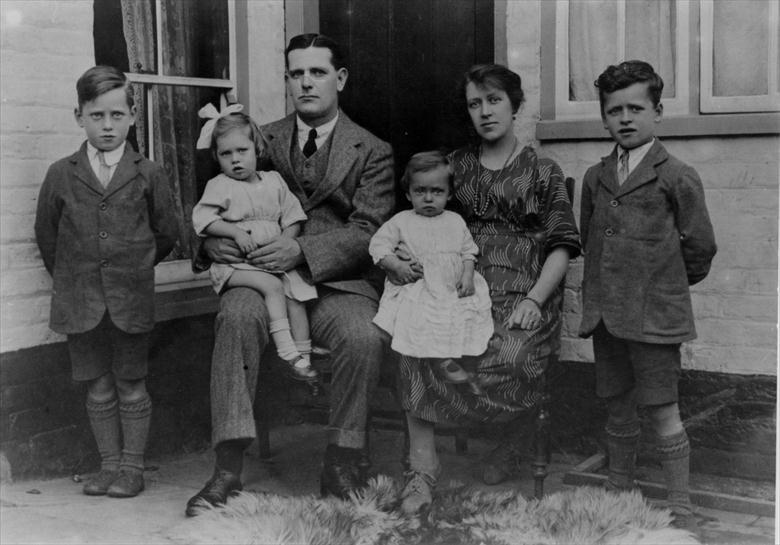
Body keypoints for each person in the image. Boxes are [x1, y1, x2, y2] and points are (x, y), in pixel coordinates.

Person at [185, 34, 395, 516]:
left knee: (362, 336)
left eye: (317, 72)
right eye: (296, 73)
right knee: (236, 317)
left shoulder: (372, 149)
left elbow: (368, 230)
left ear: (340, 78)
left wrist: (300, 249)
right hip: (260, 273)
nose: (306, 82)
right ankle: (228, 465)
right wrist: (212, 244)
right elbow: (216, 202)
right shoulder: (259, 138)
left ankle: (342, 460)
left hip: (338, 283)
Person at [393, 64, 581, 515]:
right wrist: (403, 253)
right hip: (458, 287)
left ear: (516, 105)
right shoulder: (454, 166)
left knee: (512, 353)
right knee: (415, 344)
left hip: (521, 289)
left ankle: (514, 440)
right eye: (474, 103)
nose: (484, 111)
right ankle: (423, 469)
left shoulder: (542, 170)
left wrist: (535, 300)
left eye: (494, 100)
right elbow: (417, 217)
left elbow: (562, 246)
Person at [579, 60, 716, 533]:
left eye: (636, 108)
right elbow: (590, 239)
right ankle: (620, 489)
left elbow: (700, 247)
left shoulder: (676, 175)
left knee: (662, 407)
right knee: (617, 403)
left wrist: (663, 286)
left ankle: (680, 505)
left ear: (657, 112)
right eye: (614, 110)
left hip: (655, 318)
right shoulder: (595, 177)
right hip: (607, 317)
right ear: (604, 118)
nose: (625, 118)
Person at [34, 65, 179, 498]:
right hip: (80, 302)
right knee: (97, 385)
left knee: (131, 383)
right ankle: (108, 465)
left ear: (133, 115)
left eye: (117, 115)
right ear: (79, 116)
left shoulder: (148, 172)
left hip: (130, 301)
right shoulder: (61, 173)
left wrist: (133, 269)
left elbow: (167, 233)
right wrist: (76, 277)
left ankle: (132, 468)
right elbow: (47, 236)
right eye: (97, 115)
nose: (107, 125)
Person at [192, 105, 318, 384]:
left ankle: (304, 356)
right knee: (273, 286)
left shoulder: (274, 181)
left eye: (242, 151)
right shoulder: (220, 185)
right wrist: (235, 233)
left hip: (272, 261)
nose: (235, 160)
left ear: (257, 148)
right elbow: (203, 219)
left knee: (296, 295)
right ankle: (286, 350)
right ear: (216, 157)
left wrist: (286, 239)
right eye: (225, 154)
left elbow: (294, 216)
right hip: (238, 266)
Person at [369, 151, 492, 393]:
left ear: (449, 193)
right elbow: (378, 246)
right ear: (408, 193)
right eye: (420, 191)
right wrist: (397, 265)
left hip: (452, 285)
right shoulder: (402, 221)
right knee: (421, 314)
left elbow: (468, 251)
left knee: (465, 314)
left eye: (437, 192)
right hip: (420, 284)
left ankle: (466, 363)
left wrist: (467, 275)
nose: (428, 198)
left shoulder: (455, 221)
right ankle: (440, 360)